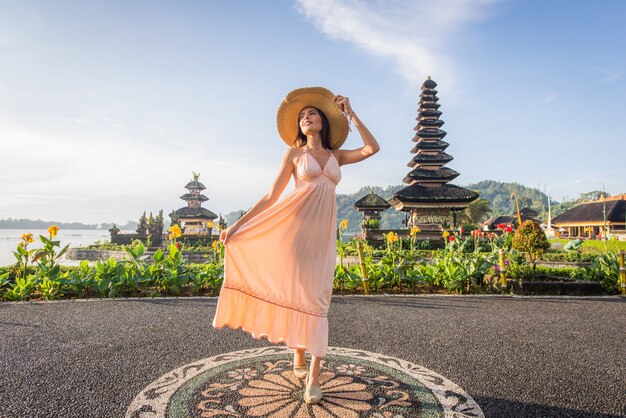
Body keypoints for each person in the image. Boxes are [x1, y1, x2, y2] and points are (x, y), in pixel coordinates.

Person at [211, 86, 380, 404]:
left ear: (324, 121)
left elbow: (372, 148)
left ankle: (311, 373)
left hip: (323, 240)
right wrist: (236, 226)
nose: (307, 117)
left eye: (312, 113)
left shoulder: (335, 157)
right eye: (302, 116)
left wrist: (352, 114)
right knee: (297, 292)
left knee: (318, 301)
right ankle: (300, 356)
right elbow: (271, 196)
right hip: (294, 234)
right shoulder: (293, 154)